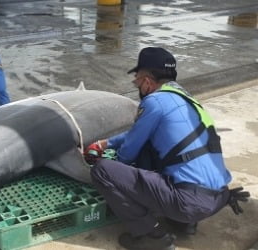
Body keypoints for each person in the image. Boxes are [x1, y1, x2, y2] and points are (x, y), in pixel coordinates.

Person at [84, 47, 250, 250]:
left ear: (146, 81)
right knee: (170, 153)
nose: (136, 84)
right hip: (218, 197)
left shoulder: (154, 101)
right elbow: (143, 135)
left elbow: (127, 154)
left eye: (136, 79)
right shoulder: (185, 99)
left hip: (189, 202)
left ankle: (151, 235)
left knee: (103, 171)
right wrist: (106, 143)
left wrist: (113, 169)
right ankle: (184, 223)